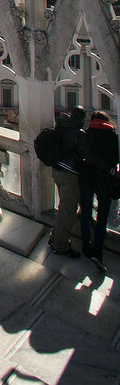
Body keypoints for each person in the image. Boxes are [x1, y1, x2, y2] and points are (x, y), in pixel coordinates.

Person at [78, 110, 119, 275]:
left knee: (86, 213)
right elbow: (116, 160)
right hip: (105, 181)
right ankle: (98, 252)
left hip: (87, 179)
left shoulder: (86, 134)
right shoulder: (113, 137)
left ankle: (86, 247)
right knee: (102, 217)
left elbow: (82, 155)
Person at [49, 106, 85, 258]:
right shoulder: (78, 133)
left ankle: (54, 237)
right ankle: (60, 245)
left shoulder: (62, 126)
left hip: (57, 170)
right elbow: (86, 154)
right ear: (82, 118)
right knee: (67, 210)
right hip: (69, 174)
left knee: (64, 207)